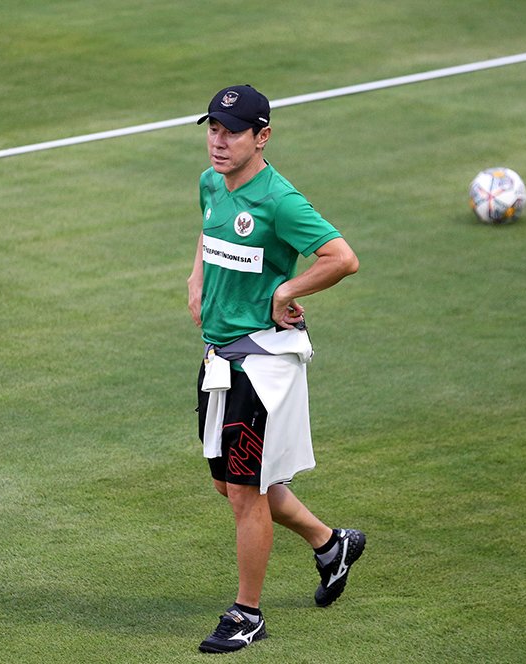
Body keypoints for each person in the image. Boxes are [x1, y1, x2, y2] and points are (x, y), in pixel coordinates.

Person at [187, 84, 364, 654]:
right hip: (220, 357)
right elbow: (209, 227)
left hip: (261, 365)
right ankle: (329, 542)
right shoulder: (212, 182)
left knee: (245, 492)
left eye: (232, 131)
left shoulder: (280, 200)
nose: (218, 140)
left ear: (261, 137)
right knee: (229, 484)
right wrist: (196, 278)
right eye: (213, 128)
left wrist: (286, 288)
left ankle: (247, 614)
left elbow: (342, 258)